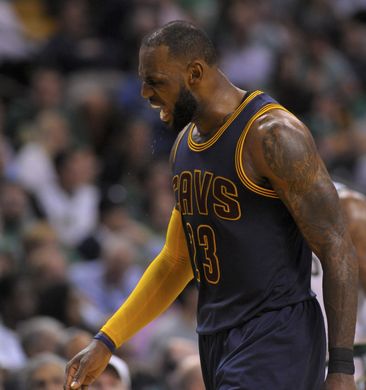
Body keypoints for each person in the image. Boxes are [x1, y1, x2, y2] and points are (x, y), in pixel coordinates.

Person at [64, 21, 358, 389]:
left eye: (155, 81)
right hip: (215, 339)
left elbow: (336, 246)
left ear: (195, 73)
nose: (144, 92)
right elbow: (176, 260)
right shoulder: (185, 145)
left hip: (277, 334)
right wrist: (107, 340)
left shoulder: (274, 135)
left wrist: (342, 367)